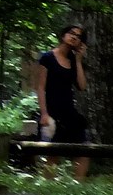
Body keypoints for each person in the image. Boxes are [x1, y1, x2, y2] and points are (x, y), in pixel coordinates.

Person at [36, 25, 91, 180]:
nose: (74, 37)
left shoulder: (74, 62)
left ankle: (77, 187)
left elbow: (82, 86)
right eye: (71, 33)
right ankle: (48, 187)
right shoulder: (47, 57)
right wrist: (44, 113)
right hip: (52, 112)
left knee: (84, 151)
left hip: (69, 112)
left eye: (78, 36)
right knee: (53, 155)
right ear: (63, 35)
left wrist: (79, 61)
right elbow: (40, 88)